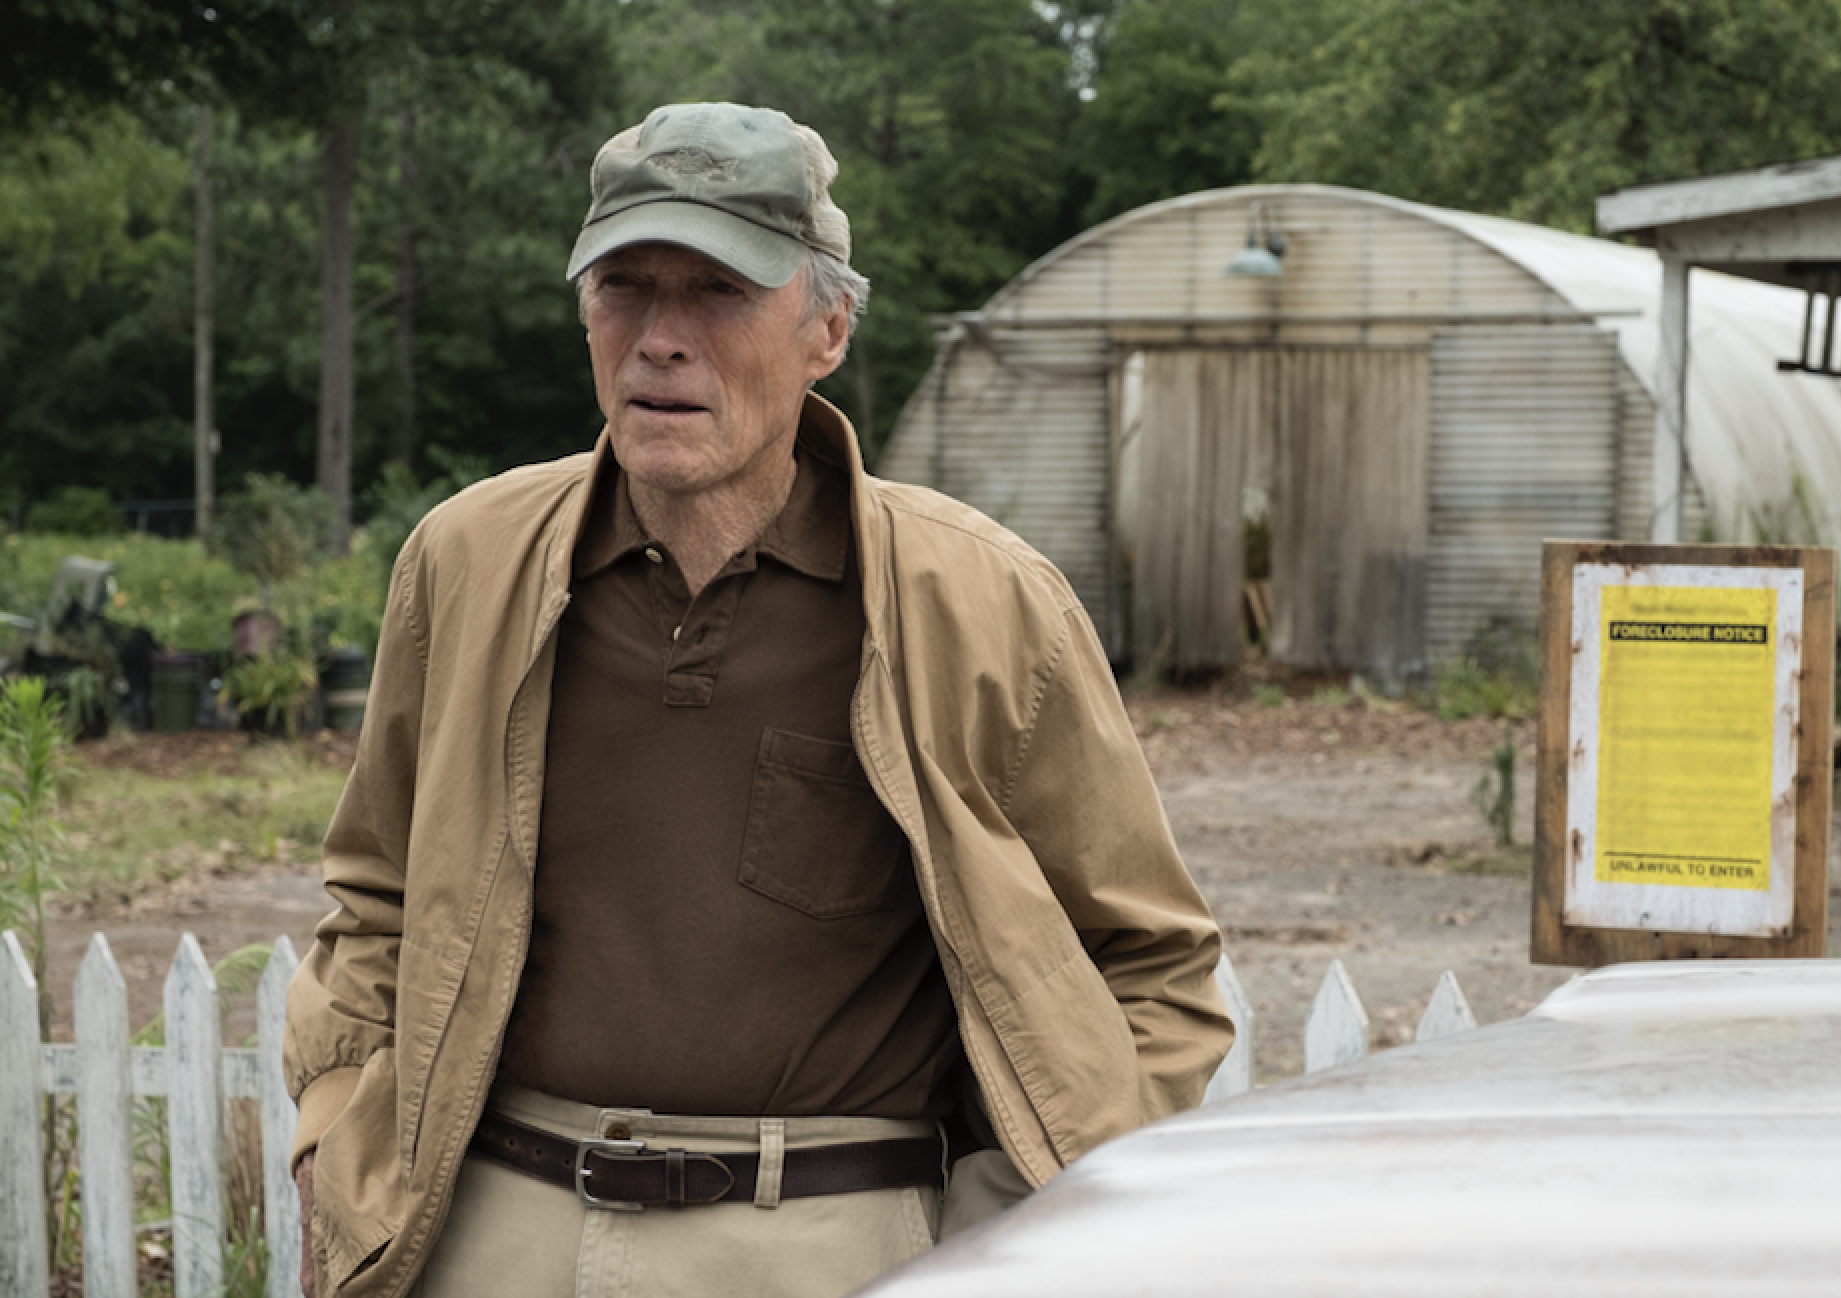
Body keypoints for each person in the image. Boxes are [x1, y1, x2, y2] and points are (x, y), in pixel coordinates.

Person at [282, 102, 1231, 1298]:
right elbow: (375, 893)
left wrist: (1012, 1229)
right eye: (624, 287)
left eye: (720, 292)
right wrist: (335, 1143)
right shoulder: (468, 560)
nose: (659, 340)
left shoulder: (984, 601)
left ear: (827, 329)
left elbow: (1150, 961)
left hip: (837, 1239)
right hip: (494, 1227)